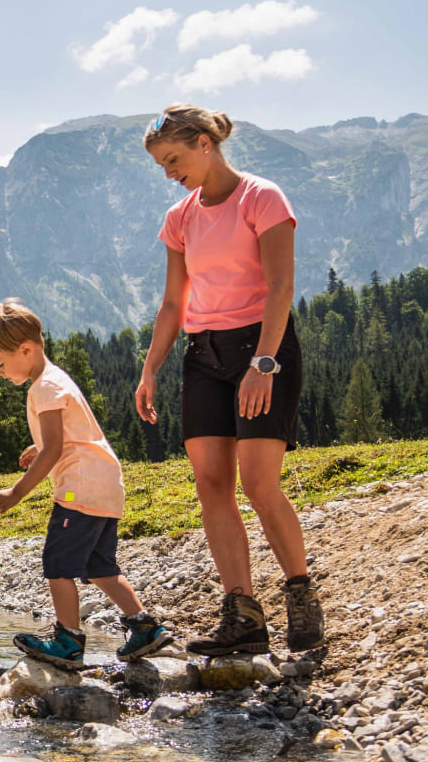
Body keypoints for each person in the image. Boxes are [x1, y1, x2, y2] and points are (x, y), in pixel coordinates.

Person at [134, 104, 325, 657]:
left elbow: (281, 287)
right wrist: (150, 370)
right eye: (161, 166)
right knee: (211, 485)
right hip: (203, 356)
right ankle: (242, 615)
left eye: (174, 160)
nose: (170, 172)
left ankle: (300, 595)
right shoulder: (180, 217)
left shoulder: (262, 198)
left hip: (261, 348)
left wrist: (263, 363)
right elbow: (174, 302)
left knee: (259, 483)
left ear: (203, 142)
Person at [0, 299, 176, 669]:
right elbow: (68, 435)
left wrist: (16, 493)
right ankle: (144, 627)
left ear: (26, 349)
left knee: (58, 563)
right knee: (100, 567)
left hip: (78, 487)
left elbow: (55, 451)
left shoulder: (43, 388)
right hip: (104, 483)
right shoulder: (56, 378)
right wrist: (40, 445)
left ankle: (68, 639)